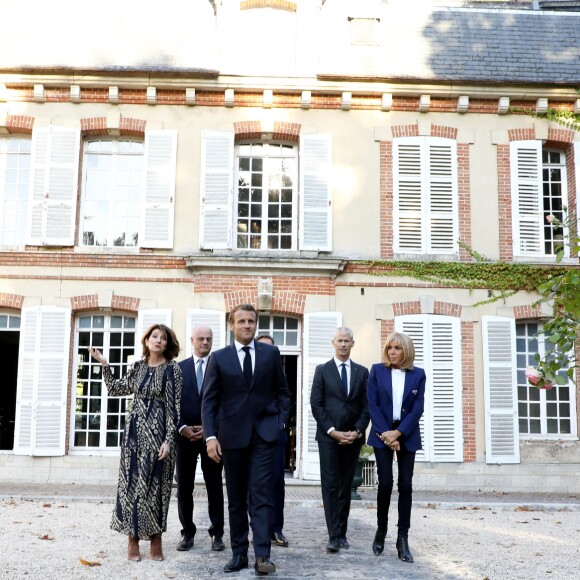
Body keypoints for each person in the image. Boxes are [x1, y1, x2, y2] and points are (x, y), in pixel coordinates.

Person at [202, 304, 290, 576]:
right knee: (237, 499)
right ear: (232, 325)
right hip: (232, 437)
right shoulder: (219, 358)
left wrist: (280, 424)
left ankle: (262, 555)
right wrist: (210, 437)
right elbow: (209, 401)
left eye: (251, 321)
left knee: (262, 497)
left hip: (265, 436)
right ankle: (239, 553)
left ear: (256, 323)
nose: (247, 325)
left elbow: (283, 393)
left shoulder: (271, 353)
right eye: (241, 321)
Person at [88, 323, 182, 562]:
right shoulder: (137, 367)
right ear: (147, 341)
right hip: (134, 437)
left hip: (160, 436)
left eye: (163, 338)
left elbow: (174, 409)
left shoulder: (173, 370)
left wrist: (169, 440)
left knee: (157, 489)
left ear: (168, 344)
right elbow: (116, 389)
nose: (158, 340)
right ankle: (133, 538)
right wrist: (105, 364)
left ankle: (156, 538)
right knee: (132, 487)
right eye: (154, 336)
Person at [366, 331, 426, 563]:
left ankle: (402, 538)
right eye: (390, 347)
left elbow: (417, 408)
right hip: (382, 432)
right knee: (386, 483)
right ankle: (381, 530)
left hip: (406, 433)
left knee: (405, 485)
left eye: (397, 348)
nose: (392, 352)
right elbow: (373, 404)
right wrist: (387, 435)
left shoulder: (418, 374)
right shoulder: (377, 370)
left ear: (406, 351)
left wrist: (399, 433)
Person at [310, 327, 370, 553]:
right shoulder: (322, 370)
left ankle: (342, 534)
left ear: (352, 344)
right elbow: (316, 404)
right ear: (333, 343)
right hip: (328, 438)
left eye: (347, 341)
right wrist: (332, 431)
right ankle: (333, 535)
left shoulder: (362, 372)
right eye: (340, 341)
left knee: (345, 486)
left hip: (353, 437)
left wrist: (357, 431)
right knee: (331, 485)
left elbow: (367, 405)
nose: (343, 345)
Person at [175, 325, 225, 552]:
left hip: (211, 438)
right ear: (192, 340)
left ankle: (217, 534)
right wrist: (182, 427)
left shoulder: (221, 368)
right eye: (201, 339)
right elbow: (171, 404)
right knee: (184, 487)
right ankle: (187, 533)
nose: (205, 342)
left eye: (209, 339)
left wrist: (211, 430)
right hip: (184, 438)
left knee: (214, 486)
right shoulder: (178, 369)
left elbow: (225, 403)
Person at [254, 334, 289, 548]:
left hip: (274, 433)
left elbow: (285, 396)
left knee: (276, 482)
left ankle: (276, 529)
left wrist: (281, 423)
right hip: (249, 434)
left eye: (271, 349)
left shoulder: (278, 372)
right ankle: (257, 530)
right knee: (252, 484)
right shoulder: (245, 369)